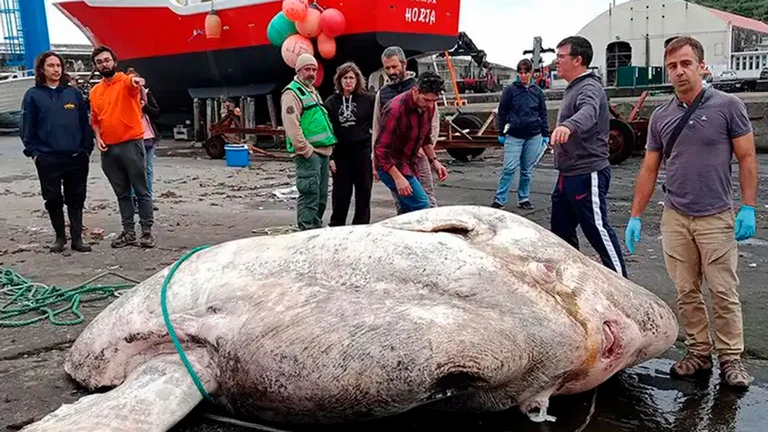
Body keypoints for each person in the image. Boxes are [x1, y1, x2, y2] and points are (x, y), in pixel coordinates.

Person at [624, 36, 758, 388]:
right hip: (676, 215)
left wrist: (748, 207)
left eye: (686, 63)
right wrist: (636, 215)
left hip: (716, 215)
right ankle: (699, 351)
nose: (679, 71)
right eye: (672, 66)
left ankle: (731, 359)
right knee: (686, 291)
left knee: (723, 291)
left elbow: (746, 158)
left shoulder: (728, 106)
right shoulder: (661, 117)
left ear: (701, 66)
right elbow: (650, 169)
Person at [549, 36, 627, 278]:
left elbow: (589, 112)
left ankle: (623, 284)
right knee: (560, 231)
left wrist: (568, 126)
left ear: (578, 60)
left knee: (596, 229)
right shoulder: (573, 88)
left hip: (587, 171)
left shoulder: (589, 87)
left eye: (561, 57)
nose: (556, 62)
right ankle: (572, 279)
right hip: (568, 173)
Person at [20, 51, 93, 253]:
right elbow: (27, 126)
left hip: (76, 157)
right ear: (42, 69)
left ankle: (77, 239)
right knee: (53, 198)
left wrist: (86, 149)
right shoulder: (33, 95)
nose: (56, 69)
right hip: (48, 157)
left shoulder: (73, 94)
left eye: (58, 66)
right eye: (51, 66)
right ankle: (60, 237)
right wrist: (34, 153)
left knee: (76, 198)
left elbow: (84, 124)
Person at [89, 45, 155, 248]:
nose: (104, 64)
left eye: (107, 60)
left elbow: (132, 82)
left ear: (114, 62)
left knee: (141, 189)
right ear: (96, 66)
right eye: (99, 62)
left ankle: (146, 231)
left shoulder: (125, 83)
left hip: (131, 144)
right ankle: (128, 232)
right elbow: (95, 119)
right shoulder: (95, 91)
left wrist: (137, 81)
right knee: (122, 193)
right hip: (109, 148)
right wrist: (97, 138)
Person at [372, 46, 440, 212]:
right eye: (387, 68)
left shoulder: (427, 98)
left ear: (404, 64)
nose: (391, 71)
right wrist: (375, 162)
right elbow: (378, 132)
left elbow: (428, 132)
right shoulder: (390, 102)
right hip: (393, 160)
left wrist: (433, 159)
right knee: (417, 202)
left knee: (425, 198)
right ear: (415, 93)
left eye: (394, 67)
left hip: (417, 154)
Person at [280, 53, 337, 231]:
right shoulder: (292, 93)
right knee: (309, 194)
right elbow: (291, 124)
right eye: (307, 69)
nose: (311, 73)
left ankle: (316, 227)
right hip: (309, 153)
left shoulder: (312, 92)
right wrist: (305, 150)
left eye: (314, 69)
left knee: (320, 197)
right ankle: (306, 230)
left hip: (322, 153)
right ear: (298, 70)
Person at [492, 58, 549, 211]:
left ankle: (524, 198)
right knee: (509, 168)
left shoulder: (537, 92)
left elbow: (543, 113)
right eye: (521, 72)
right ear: (518, 73)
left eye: (526, 72)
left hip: (534, 135)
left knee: (527, 170)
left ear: (531, 73)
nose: (523, 75)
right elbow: (502, 111)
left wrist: (545, 133)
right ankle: (499, 199)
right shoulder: (510, 90)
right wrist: (501, 131)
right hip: (514, 135)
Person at [324, 62, 375, 226]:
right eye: (345, 78)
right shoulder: (331, 102)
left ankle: (361, 226)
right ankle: (336, 226)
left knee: (364, 193)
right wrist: (330, 157)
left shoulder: (368, 100)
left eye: (351, 78)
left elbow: (378, 125)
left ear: (357, 80)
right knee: (341, 194)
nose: (348, 81)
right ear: (339, 80)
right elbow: (327, 131)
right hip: (341, 155)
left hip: (363, 152)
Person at [126, 68, 160, 211]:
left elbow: (157, 112)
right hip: (133, 137)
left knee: (148, 169)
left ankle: (147, 199)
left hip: (149, 137)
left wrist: (144, 106)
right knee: (136, 170)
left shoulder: (146, 94)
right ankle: (135, 199)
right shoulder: (124, 97)